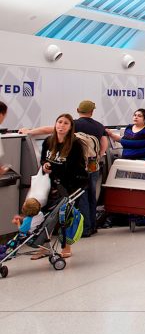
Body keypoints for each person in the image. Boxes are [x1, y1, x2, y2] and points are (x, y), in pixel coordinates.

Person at [20, 100, 109, 238]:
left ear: (78, 110)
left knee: (82, 198)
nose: (62, 125)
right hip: (93, 165)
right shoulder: (98, 126)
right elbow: (104, 142)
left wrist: (29, 131)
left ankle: (83, 229)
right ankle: (92, 226)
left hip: (78, 171)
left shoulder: (75, 125)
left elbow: (47, 130)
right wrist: (99, 155)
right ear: (92, 111)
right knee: (92, 196)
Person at [39, 114, 88, 259]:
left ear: (70, 127)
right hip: (50, 183)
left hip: (70, 185)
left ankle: (66, 246)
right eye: (59, 122)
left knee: (65, 217)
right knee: (44, 215)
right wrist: (45, 165)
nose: (61, 125)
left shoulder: (75, 144)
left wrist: (57, 171)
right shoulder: (48, 141)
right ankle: (44, 246)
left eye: (65, 123)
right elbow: (43, 159)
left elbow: (77, 168)